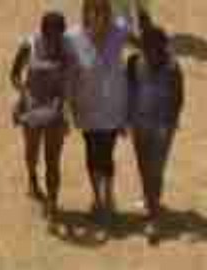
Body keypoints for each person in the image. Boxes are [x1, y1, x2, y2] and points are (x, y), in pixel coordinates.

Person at [66, 0, 138, 218]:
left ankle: (108, 195)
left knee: (106, 153)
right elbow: (65, 68)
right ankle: (97, 197)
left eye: (101, 11)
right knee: (91, 152)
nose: (97, 16)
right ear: (85, 12)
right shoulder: (73, 37)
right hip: (86, 106)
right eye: (92, 11)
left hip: (113, 106)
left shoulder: (119, 32)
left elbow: (142, 45)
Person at [9, 12, 72, 216]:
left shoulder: (67, 48)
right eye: (50, 34)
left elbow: (69, 80)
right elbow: (15, 75)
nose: (54, 39)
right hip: (32, 106)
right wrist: (24, 94)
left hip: (55, 107)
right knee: (32, 152)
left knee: (53, 158)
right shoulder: (30, 45)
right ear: (43, 31)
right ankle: (33, 179)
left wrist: (62, 103)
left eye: (58, 34)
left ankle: (52, 200)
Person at [127, 25, 183, 234]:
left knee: (156, 170)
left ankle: (154, 216)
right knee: (143, 166)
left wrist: (170, 124)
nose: (150, 51)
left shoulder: (172, 68)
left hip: (162, 127)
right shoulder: (134, 63)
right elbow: (130, 91)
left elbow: (178, 98)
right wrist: (127, 120)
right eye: (146, 46)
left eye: (155, 47)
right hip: (139, 125)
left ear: (163, 47)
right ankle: (150, 199)